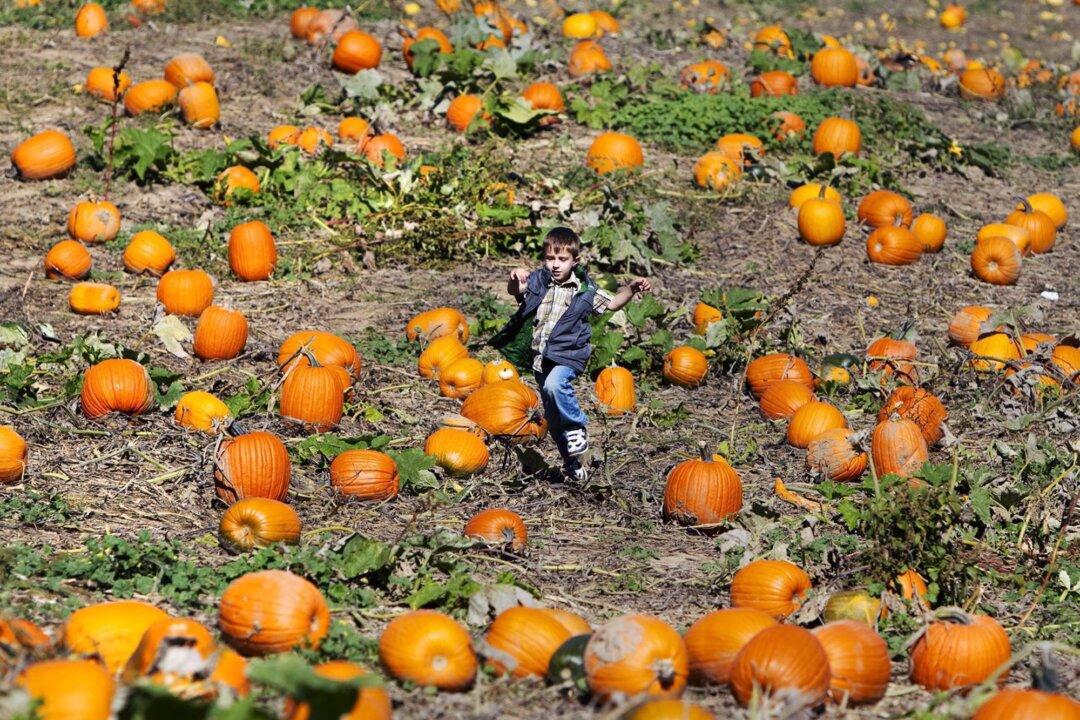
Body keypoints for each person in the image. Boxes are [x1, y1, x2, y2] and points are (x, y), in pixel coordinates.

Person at [489, 227, 652, 481]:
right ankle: (573, 464)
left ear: (575, 261)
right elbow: (516, 292)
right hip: (541, 359)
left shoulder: (584, 291)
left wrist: (630, 288)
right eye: (550, 258)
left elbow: (612, 303)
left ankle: (577, 426)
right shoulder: (539, 282)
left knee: (556, 385)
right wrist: (515, 279)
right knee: (553, 420)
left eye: (562, 260)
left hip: (569, 356)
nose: (555, 265)